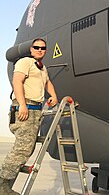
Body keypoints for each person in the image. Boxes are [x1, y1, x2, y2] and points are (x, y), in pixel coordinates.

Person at [0, 38, 58, 195]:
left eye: (43, 48)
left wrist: (53, 95)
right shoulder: (25, 62)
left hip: (35, 111)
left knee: (27, 148)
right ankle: (2, 186)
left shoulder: (41, 68)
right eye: (36, 47)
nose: (40, 50)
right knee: (22, 149)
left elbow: (47, 83)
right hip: (25, 108)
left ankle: (5, 184)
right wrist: (22, 105)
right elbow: (17, 81)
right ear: (31, 49)